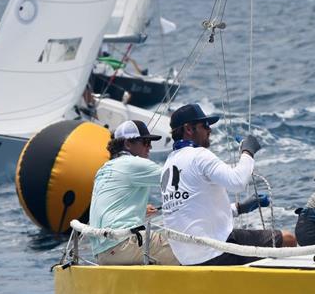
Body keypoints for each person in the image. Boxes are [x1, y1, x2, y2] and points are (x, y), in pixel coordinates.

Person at [160, 103, 297, 266]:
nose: (209, 130)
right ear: (189, 129)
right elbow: (237, 182)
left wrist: (240, 208)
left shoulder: (168, 165)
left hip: (188, 259)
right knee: (288, 239)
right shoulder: (198, 155)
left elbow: (193, 211)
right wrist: (248, 151)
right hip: (216, 252)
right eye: (205, 125)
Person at [89, 120, 179, 265]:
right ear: (128, 144)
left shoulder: (104, 168)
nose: (149, 147)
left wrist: (140, 210)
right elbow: (177, 178)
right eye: (145, 142)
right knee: (184, 251)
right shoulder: (133, 163)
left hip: (102, 253)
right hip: (123, 246)